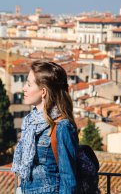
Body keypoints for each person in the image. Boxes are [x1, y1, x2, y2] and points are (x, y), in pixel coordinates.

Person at [11, 60, 78, 194]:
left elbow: (68, 179)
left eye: (29, 85)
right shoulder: (31, 123)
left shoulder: (61, 127)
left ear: (43, 92)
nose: (24, 88)